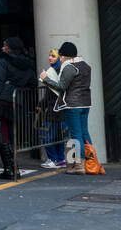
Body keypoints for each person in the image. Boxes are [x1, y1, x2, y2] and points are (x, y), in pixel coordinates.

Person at [40, 42, 96, 175]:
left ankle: (78, 166)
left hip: (72, 105)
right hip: (85, 104)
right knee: (84, 134)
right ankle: (90, 162)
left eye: (61, 55)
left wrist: (45, 79)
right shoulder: (85, 66)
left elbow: (61, 86)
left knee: (75, 135)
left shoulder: (70, 67)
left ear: (65, 55)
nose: (61, 58)